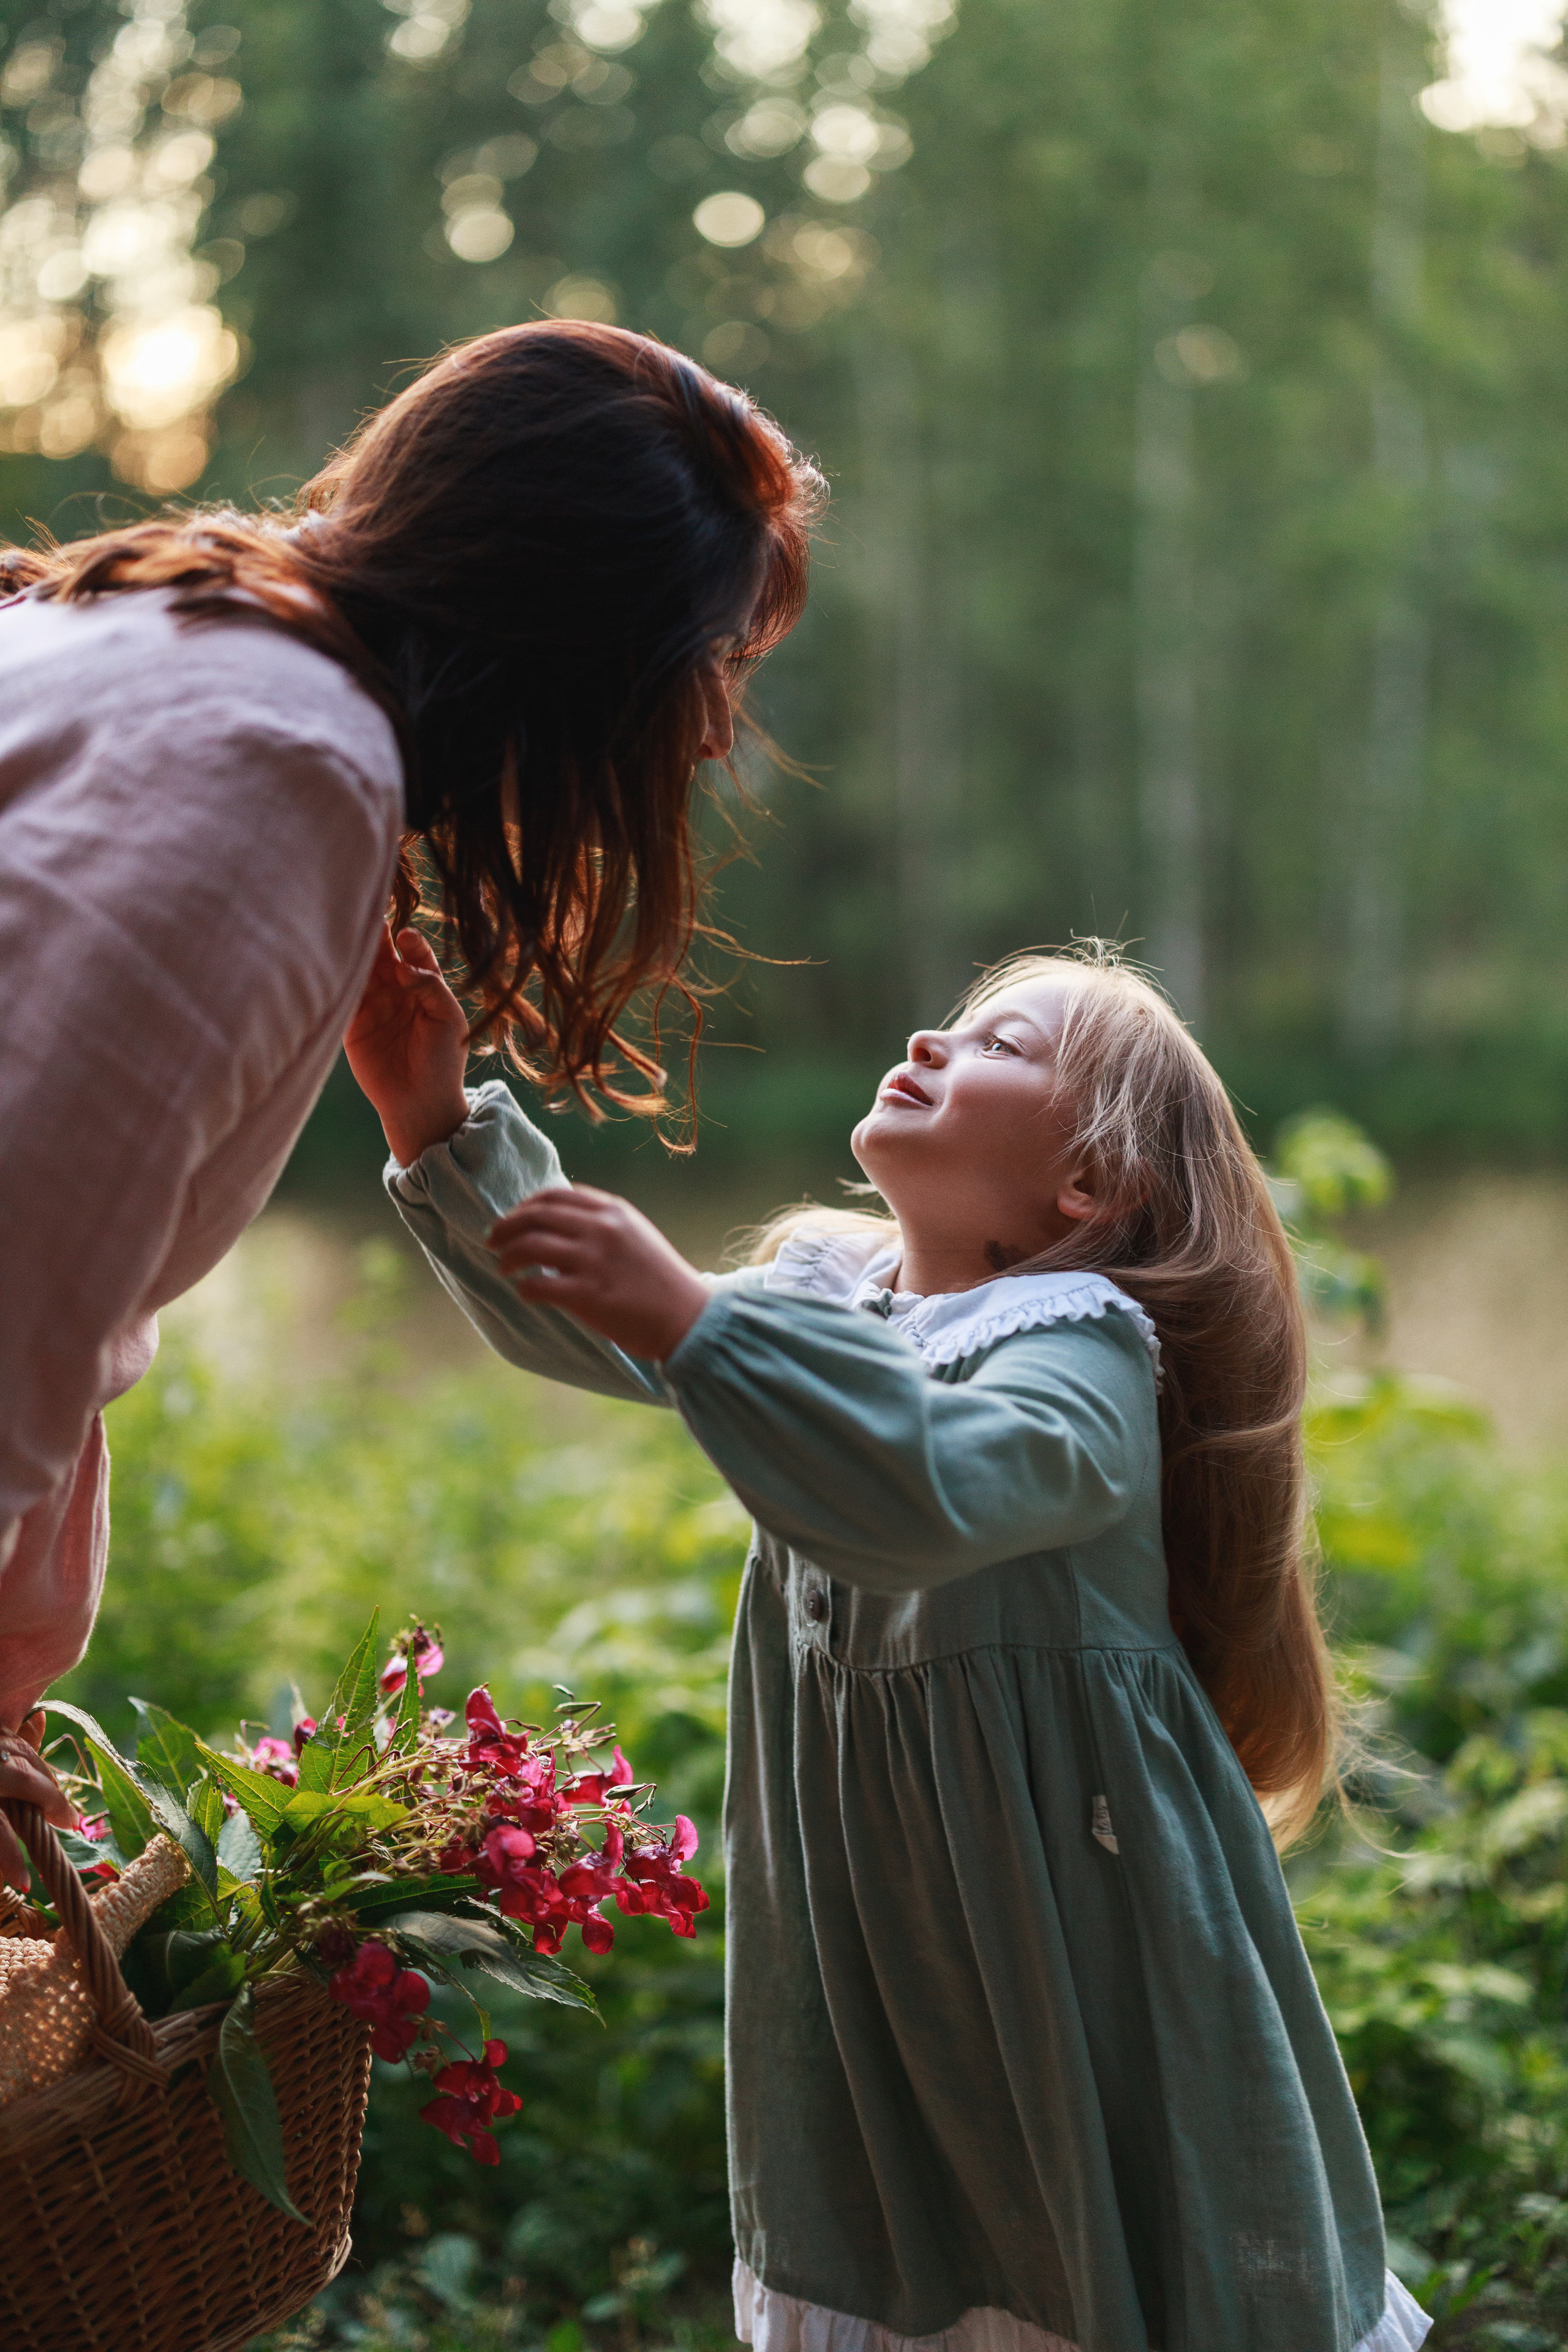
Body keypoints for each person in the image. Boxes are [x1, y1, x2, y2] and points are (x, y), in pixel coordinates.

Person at [349, 940, 1430, 2352]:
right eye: (956, 1022)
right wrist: (433, 1124)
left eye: (1002, 1047)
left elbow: (929, 1489)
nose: (930, 1039)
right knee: (915, 2230)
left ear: (1087, 1189)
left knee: (1105, 2245)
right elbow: (588, 1320)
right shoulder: (833, 1296)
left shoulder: (1082, 1353)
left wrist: (687, 1318)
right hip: (876, 1931)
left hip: (1076, 1935)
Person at [0, 319, 823, 1882]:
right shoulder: (268, 764)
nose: (713, 732)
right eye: (709, 667)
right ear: (580, 640)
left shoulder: (178, 640)